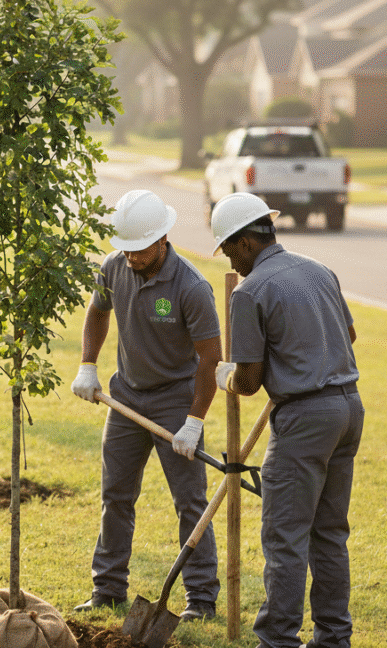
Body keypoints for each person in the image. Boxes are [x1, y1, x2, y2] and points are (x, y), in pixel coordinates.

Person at [210, 192, 365, 648]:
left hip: (304, 420)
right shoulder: (319, 270)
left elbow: (250, 380)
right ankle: (334, 638)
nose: (231, 262)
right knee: (330, 534)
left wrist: (225, 375)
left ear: (243, 242)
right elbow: (349, 334)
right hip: (348, 408)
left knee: (285, 538)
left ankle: (278, 640)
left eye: (229, 250)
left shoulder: (250, 291)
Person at [70, 189, 222, 621]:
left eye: (139, 249)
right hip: (126, 398)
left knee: (190, 502)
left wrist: (194, 421)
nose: (131, 257)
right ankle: (108, 589)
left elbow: (210, 359)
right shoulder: (113, 266)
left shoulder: (191, 287)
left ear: (162, 239)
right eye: (126, 249)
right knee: (115, 496)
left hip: (176, 401)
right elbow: (98, 312)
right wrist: (88, 365)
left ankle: (202, 599)